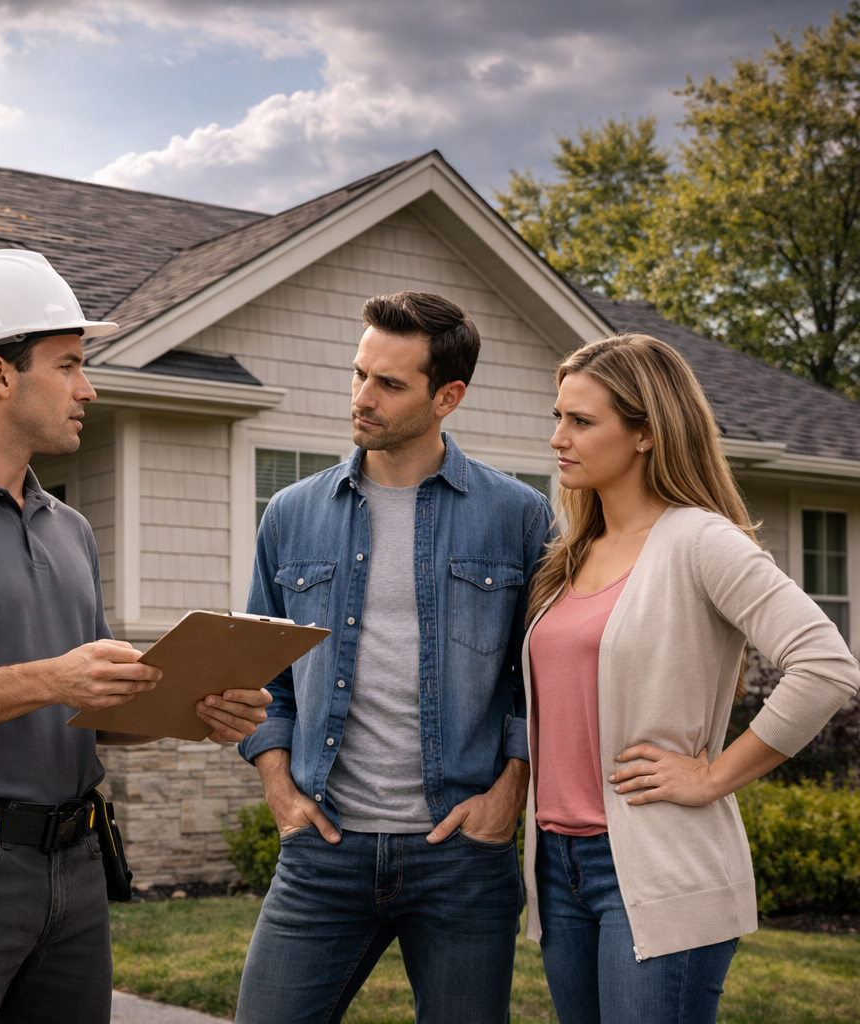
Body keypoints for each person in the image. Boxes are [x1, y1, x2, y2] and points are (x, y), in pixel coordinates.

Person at [0, 249, 272, 1024]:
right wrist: (51, 679)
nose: (87, 389)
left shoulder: (68, 526)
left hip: (73, 867)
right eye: (69, 365)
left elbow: (90, 702)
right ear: (0, 374)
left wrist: (193, 709)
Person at [233, 291, 553, 1024]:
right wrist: (279, 786)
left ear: (449, 396)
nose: (362, 398)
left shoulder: (518, 516)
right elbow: (262, 671)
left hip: (461, 857)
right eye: (358, 374)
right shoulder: (291, 514)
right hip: (323, 850)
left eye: (388, 383)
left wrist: (511, 791)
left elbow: (535, 682)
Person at [524, 333, 860, 1024]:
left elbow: (825, 665)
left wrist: (711, 776)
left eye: (582, 421)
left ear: (646, 432)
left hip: (657, 865)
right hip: (559, 868)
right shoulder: (571, 555)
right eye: (558, 416)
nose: (559, 437)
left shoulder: (700, 540)